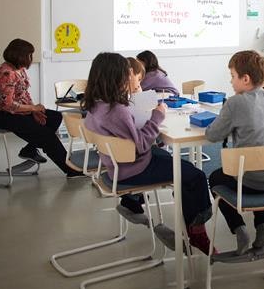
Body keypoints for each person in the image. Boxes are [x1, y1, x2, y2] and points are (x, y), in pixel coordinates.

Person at [83, 53, 212, 254]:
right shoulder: (117, 111)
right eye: (126, 74)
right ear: (115, 77)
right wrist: (157, 116)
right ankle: (196, 232)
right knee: (196, 176)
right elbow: (141, 145)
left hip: (116, 166)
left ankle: (132, 203)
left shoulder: (96, 105)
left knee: (174, 164)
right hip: (133, 169)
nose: (130, 77)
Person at [205, 51, 264, 255]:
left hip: (250, 182)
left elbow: (213, 135)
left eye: (233, 76)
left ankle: (239, 227)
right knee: (261, 164)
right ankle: (262, 225)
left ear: (245, 79)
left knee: (215, 177)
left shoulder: (235, 103)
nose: (230, 81)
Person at [0, 39, 82, 177]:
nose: (31, 58)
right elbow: (8, 105)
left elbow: (24, 94)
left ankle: (30, 149)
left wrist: (34, 110)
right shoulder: (7, 74)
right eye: (29, 55)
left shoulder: (19, 70)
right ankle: (71, 170)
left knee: (54, 117)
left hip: (17, 112)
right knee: (47, 136)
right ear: (20, 56)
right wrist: (32, 108)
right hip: (2, 115)